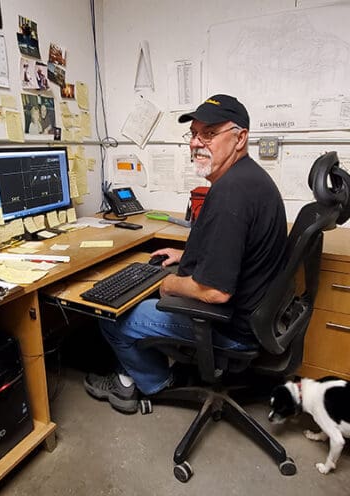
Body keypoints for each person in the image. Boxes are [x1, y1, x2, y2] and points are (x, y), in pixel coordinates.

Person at [84, 94, 288, 414]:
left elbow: (215, 292)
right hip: (256, 318)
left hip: (231, 328)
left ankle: (155, 381)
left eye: (209, 134)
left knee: (112, 315)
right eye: (193, 134)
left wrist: (169, 286)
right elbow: (234, 249)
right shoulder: (250, 180)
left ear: (240, 138)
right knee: (143, 293)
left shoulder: (230, 194)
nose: (196, 142)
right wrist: (185, 256)